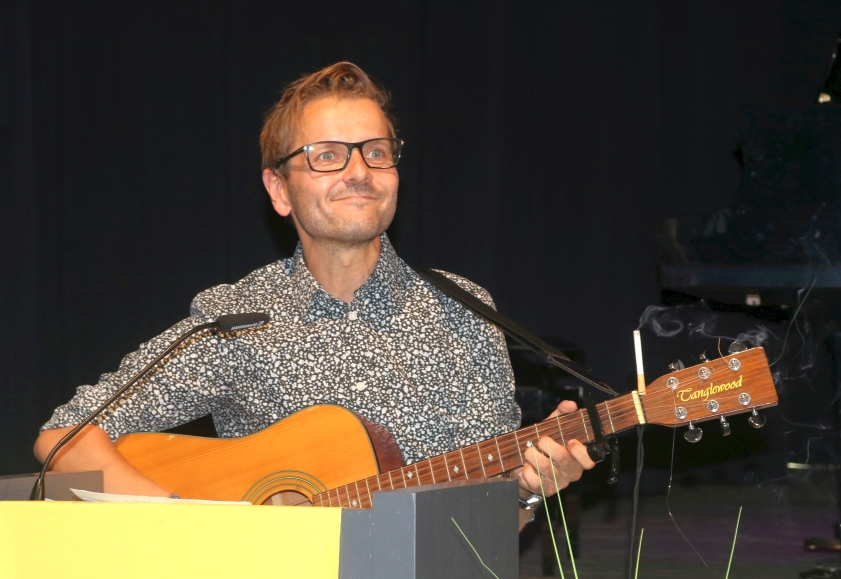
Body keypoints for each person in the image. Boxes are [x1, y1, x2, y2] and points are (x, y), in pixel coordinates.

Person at [34, 62, 594, 528]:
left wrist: (528, 492)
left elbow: (493, 522)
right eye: (327, 155)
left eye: (376, 151)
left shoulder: (464, 310)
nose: (359, 171)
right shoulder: (237, 319)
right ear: (279, 189)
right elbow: (63, 438)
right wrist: (189, 525)